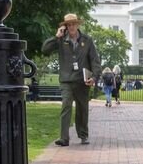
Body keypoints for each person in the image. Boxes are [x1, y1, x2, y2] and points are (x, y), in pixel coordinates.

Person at [42, 13, 102, 145]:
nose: (71, 27)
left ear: (78, 25)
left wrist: (94, 77)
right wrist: (56, 36)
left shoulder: (87, 40)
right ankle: (64, 138)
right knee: (66, 105)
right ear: (65, 26)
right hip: (66, 80)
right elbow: (45, 50)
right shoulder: (61, 39)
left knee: (82, 108)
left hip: (82, 80)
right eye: (68, 24)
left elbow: (95, 61)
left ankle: (83, 135)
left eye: (74, 24)